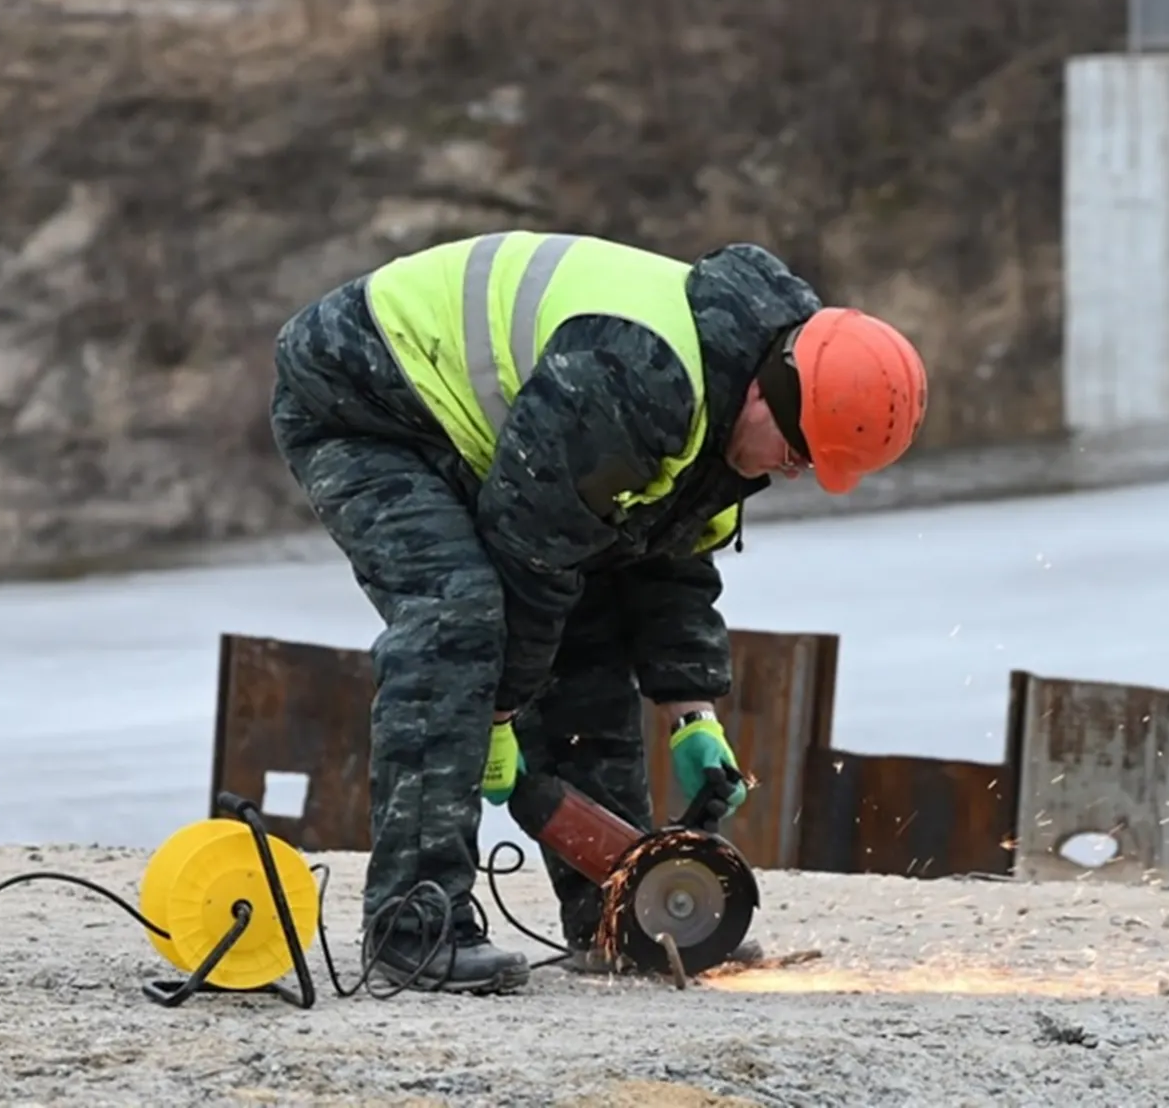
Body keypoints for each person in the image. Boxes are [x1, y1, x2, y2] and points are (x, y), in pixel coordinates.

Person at [268, 230, 927, 994]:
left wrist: (691, 711)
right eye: (798, 451)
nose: (796, 471)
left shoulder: (735, 410)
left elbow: (667, 559)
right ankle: (413, 928)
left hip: (500, 446)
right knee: (458, 615)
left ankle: (621, 917)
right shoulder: (638, 378)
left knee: (587, 627)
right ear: (765, 394)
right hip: (363, 401)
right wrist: (498, 714)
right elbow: (531, 555)